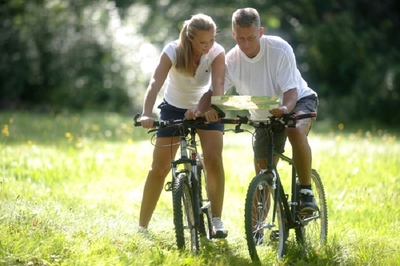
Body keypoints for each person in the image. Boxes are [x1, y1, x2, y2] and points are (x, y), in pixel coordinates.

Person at [187, 8, 319, 212]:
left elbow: (291, 92)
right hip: (264, 116)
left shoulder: (280, 49)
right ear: (233, 34)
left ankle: (306, 192)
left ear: (261, 32)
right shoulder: (231, 60)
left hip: (297, 101)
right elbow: (214, 92)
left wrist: (284, 109)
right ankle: (257, 234)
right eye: (240, 38)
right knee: (263, 175)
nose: (246, 44)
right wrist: (199, 110)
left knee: (294, 130)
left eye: (251, 37)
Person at [138, 13, 228, 238]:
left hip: (205, 107)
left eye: (211, 40)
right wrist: (146, 114)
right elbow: (155, 83)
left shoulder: (216, 52)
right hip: (173, 108)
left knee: (214, 159)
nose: (208, 46)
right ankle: (142, 227)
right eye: (202, 42)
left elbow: (217, 84)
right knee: (159, 168)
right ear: (189, 38)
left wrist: (214, 110)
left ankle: (216, 220)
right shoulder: (173, 51)